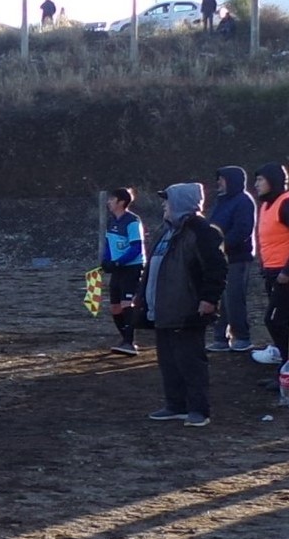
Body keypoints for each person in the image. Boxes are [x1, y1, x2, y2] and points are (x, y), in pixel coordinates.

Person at [140, 183, 227, 427]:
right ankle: (175, 405)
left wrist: (209, 299)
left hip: (187, 308)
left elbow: (216, 267)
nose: (164, 205)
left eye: (167, 200)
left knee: (190, 360)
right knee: (168, 360)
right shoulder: (167, 231)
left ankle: (199, 409)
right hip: (164, 308)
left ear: (180, 202)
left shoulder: (202, 231)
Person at [249, 162, 289, 366]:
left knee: (275, 320)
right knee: (280, 320)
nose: (256, 184)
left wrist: (287, 271)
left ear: (272, 181)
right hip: (273, 272)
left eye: (260, 180)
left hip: (288, 273)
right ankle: (287, 364)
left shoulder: (288, 204)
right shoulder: (267, 204)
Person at [206, 165, 257, 352]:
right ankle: (221, 337)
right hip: (223, 256)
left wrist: (221, 245)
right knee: (223, 298)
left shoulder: (243, 201)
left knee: (234, 298)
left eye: (222, 179)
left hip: (237, 257)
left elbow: (243, 229)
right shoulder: (223, 201)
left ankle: (242, 337)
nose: (218, 182)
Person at [101, 188, 146, 356]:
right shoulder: (112, 222)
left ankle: (129, 341)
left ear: (121, 202)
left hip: (131, 268)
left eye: (112, 199)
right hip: (118, 268)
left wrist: (119, 262)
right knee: (115, 307)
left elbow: (136, 247)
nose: (108, 202)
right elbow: (108, 244)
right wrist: (106, 261)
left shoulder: (133, 221)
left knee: (127, 303)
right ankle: (125, 339)